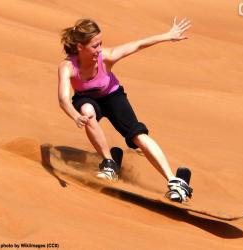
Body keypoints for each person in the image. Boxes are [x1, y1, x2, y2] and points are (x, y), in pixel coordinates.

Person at [58, 18, 193, 202]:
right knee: (87, 112)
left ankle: (175, 182)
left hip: (113, 96)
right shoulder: (67, 67)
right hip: (86, 97)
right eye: (95, 45)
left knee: (137, 135)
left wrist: (167, 36)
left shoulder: (107, 57)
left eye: (100, 44)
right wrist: (75, 116)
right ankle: (109, 163)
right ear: (80, 47)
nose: (99, 49)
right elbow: (63, 98)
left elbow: (138, 45)